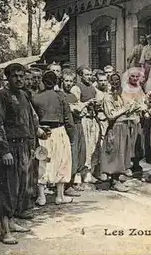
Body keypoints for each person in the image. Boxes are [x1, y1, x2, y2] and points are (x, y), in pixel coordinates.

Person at [0, 63, 47, 245]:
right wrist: (4, 150)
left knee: (19, 187)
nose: (19, 79)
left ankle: (12, 222)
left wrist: (38, 134)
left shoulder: (23, 95)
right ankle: (5, 231)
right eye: (15, 76)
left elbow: (29, 121)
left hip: (23, 148)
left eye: (21, 76)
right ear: (7, 77)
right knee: (6, 188)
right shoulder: (1, 96)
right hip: (8, 150)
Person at [32, 72, 75, 206]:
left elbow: (33, 118)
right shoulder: (61, 96)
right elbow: (68, 119)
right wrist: (72, 136)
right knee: (62, 161)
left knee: (43, 162)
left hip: (43, 132)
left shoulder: (36, 97)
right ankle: (59, 196)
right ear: (57, 81)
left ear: (43, 82)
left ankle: (41, 196)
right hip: (59, 131)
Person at [100, 72, 145, 192]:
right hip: (115, 128)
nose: (116, 84)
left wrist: (134, 108)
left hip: (124, 127)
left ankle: (117, 177)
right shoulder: (107, 97)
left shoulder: (120, 96)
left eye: (118, 82)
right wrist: (125, 108)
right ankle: (114, 180)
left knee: (122, 153)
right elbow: (111, 115)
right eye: (113, 82)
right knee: (114, 153)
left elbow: (125, 111)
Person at [71, 65, 101, 184]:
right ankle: (79, 173)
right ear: (80, 76)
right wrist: (87, 103)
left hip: (93, 118)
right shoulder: (76, 88)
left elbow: (100, 97)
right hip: (83, 119)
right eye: (86, 75)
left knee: (93, 145)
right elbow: (76, 106)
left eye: (90, 74)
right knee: (83, 147)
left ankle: (89, 172)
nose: (89, 77)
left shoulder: (93, 88)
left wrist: (97, 103)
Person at [61, 69, 88, 195]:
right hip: (68, 127)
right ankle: (67, 186)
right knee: (70, 155)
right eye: (66, 81)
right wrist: (82, 106)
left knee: (79, 153)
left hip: (78, 125)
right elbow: (74, 110)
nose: (68, 83)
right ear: (62, 81)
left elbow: (80, 111)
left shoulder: (72, 95)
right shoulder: (60, 95)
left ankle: (73, 182)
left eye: (71, 81)